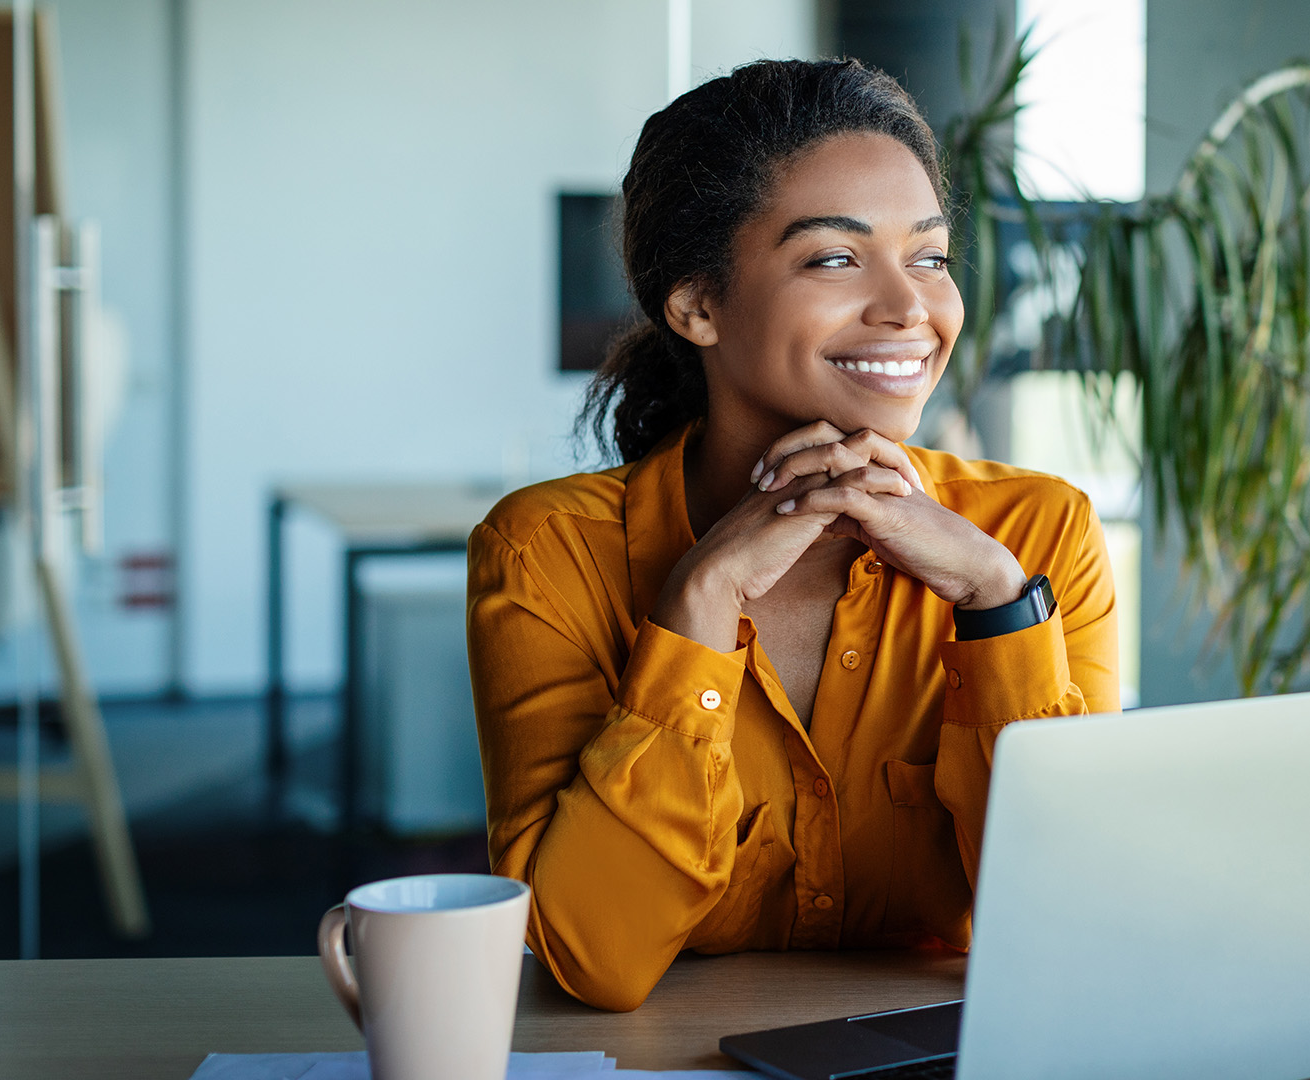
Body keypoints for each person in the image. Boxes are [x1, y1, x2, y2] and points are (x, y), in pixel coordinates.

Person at [467, 58, 1119, 1012]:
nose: (911, 309)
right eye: (834, 258)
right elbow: (591, 958)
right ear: (695, 305)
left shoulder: (1033, 537)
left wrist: (997, 607)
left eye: (929, 257)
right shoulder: (546, 554)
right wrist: (696, 608)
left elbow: (1079, 923)